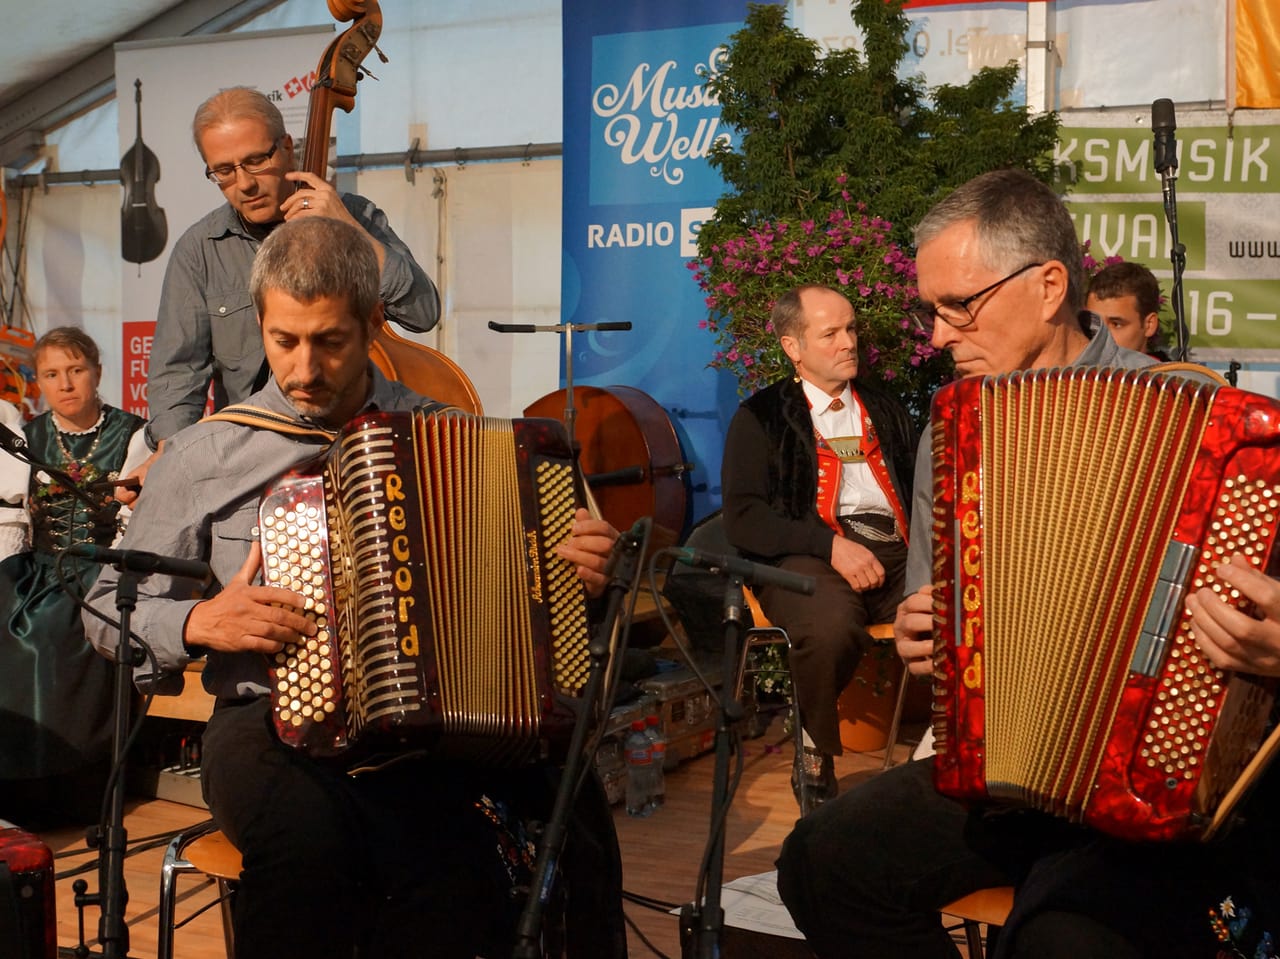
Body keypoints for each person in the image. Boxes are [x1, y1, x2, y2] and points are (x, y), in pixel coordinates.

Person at [84, 217, 625, 959]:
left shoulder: (453, 437)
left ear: (374, 323)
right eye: (284, 340)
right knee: (310, 851)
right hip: (266, 723)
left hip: (431, 730)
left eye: (330, 341)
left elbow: (541, 599)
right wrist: (202, 620)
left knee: (473, 866)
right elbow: (104, 608)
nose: (304, 368)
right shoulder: (209, 450)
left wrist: (583, 573)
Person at [775, 168, 1280, 958]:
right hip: (1003, 767)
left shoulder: (1205, 426)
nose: (937, 336)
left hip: (1158, 787)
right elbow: (937, 622)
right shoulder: (953, 432)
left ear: (1049, 286)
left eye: (958, 306)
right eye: (929, 311)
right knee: (820, 859)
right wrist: (925, 634)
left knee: (1061, 940)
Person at [143, 85, 439, 454]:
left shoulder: (357, 215)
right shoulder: (199, 250)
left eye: (255, 161)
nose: (245, 184)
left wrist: (351, 231)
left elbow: (422, 313)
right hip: (249, 451)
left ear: (286, 146)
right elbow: (177, 373)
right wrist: (173, 457)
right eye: (224, 171)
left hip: (359, 441)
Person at [720, 284, 914, 810]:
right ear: (793, 347)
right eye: (831, 333)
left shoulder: (888, 409)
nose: (848, 342)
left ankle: (955, 752)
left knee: (973, 605)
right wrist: (828, 546)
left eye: (851, 329)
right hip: (806, 554)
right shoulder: (760, 417)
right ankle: (812, 748)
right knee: (827, 626)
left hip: (898, 551)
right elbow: (744, 516)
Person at [0, 327, 147, 826]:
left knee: (52, 635)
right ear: (38, 382)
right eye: (52, 374)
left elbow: (139, 522)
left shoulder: (134, 433)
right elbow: (17, 522)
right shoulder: (27, 438)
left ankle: (72, 789)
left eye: (76, 370)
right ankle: (15, 790)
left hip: (102, 565)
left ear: (98, 372)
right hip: (40, 567)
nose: (65, 384)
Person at [1085, 260, 1169, 358]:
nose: (1099, 337)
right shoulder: (1072, 372)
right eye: (1093, 324)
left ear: (1149, 325)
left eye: (1116, 324)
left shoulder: (1170, 373)